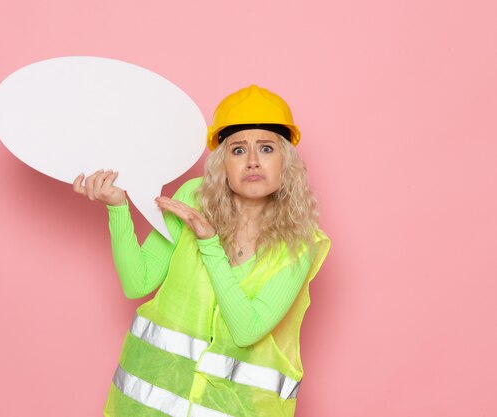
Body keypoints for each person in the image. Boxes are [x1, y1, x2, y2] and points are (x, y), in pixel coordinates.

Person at [73, 85, 331, 417]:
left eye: (266, 148)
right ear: (222, 162)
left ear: (286, 161)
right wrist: (118, 208)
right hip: (147, 404)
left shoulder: (300, 242)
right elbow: (138, 282)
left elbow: (246, 330)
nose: (252, 161)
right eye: (238, 150)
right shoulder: (194, 198)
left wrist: (209, 243)